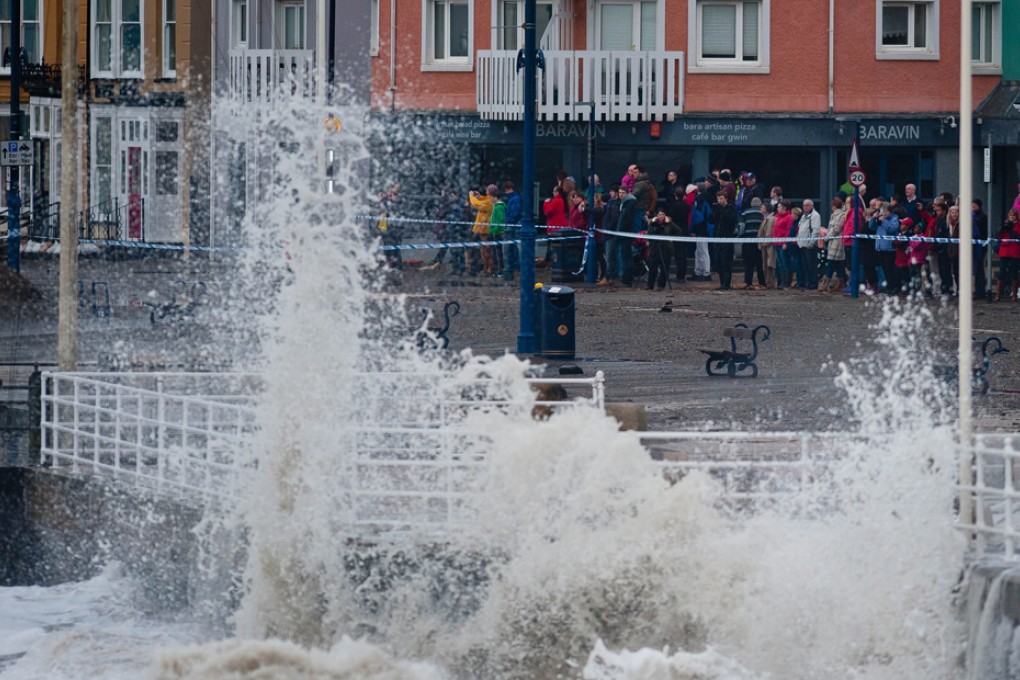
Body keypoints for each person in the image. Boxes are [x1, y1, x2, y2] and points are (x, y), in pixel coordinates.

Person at [646, 209, 680, 290]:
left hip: (665, 248)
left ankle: (661, 285)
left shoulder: (670, 224)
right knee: (652, 268)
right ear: (657, 215)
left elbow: (678, 231)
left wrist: (672, 238)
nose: (661, 216)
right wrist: (648, 241)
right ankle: (650, 285)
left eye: (663, 214)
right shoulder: (653, 223)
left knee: (664, 268)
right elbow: (648, 233)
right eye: (660, 214)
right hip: (654, 248)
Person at [468, 185, 498, 276]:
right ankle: (487, 269)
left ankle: (488, 270)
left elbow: (477, 204)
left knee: (486, 251)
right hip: (483, 229)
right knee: (485, 250)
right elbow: (484, 198)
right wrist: (479, 195)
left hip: (485, 230)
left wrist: (471, 196)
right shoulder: (490, 200)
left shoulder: (489, 203)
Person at [712, 190, 738, 290]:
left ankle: (726, 283)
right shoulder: (717, 208)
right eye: (718, 198)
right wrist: (715, 211)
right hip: (717, 238)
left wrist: (722, 211)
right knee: (718, 261)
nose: (719, 200)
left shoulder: (731, 208)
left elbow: (731, 220)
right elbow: (712, 220)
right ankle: (722, 282)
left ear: (726, 199)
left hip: (727, 238)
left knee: (725, 261)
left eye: (721, 198)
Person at [874, 202, 900, 294]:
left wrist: (884, 221)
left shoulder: (894, 218)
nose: (884, 213)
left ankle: (893, 287)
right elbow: (871, 227)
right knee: (884, 269)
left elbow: (892, 229)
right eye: (883, 211)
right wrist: (874, 219)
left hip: (889, 248)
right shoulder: (880, 219)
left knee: (890, 269)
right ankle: (888, 286)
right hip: (880, 247)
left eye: (885, 211)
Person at [822, 197, 847, 292]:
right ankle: (841, 282)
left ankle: (826, 282)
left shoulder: (841, 215)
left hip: (837, 242)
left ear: (833, 206)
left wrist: (826, 237)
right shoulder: (834, 215)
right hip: (833, 241)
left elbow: (837, 229)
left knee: (831, 262)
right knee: (839, 263)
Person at [796, 199, 822, 292]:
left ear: (812, 206)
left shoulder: (815, 216)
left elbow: (815, 231)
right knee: (805, 266)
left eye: (807, 205)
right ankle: (807, 282)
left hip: (810, 246)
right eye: (804, 205)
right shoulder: (803, 216)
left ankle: (813, 283)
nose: (805, 207)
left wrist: (811, 243)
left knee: (811, 266)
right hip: (802, 244)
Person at [689, 183, 713, 281]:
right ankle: (699, 271)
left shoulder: (699, 199)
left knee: (702, 251)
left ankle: (705, 272)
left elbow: (697, 216)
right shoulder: (708, 198)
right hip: (705, 228)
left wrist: (693, 228)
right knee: (699, 251)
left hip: (701, 228)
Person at [996, 208, 1020, 301]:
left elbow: (1017, 236)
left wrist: (1010, 230)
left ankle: (1014, 294)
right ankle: (998, 294)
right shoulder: (1006, 224)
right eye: (1010, 215)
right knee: (1001, 272)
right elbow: (998, 236)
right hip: (1005, 250)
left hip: (1015, 250)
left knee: (1014, 272)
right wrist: (1002, 229)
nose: (1012, 217)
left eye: (1013, 215)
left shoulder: (1018, 224)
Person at [740, 197, 765, 289]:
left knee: (748, 264)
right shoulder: (763, 214)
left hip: (747, 241)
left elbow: (741, 227)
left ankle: (748, 282)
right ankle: (762, 282)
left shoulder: (745, 213)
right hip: (760, 242)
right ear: (760, 205)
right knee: (760, 264)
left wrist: (741, 236)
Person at [668, 185, 690, 282]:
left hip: (677, 230)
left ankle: (679, 276)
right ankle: (682, 274)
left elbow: (671, 218)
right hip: (685, 230)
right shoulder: (686, 205)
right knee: (683, 254)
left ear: (675, 195)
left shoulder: (674, 205)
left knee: (678, 254)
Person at [502, 181, 522, 281]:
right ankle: (511, 270)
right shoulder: (514, 198)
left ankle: (510, 271)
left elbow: (514, 213)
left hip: (512, 226)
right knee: (511, 249)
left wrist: (509, 222)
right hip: (512, 225)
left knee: (509, 249)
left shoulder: (514, 199)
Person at [772, 200, 794, 289]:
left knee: (785, 263)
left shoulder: (788, 217)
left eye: (779, 207)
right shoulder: (777, 217)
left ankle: (786, 282)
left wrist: (785, 242)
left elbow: (788, 231)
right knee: (779, 264)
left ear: (784, 208)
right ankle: (780, 281)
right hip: (776, 243)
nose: (778, 208)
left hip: (782, 244)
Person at [758, 202, 777, 289]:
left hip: (769, 246)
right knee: (765, 265)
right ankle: (768, 283)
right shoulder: (765, 218)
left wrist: (764, 243)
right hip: (764, 245)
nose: (760, 209)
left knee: (770, 265)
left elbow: (769, 232)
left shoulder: (771, 219)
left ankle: (771, 283)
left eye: (762, 207)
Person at [972, 199, 988, 299]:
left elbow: (983, 232)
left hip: (980, 246)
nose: (973, 206)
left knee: (979, 269)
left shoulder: (982, 217)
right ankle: (978, 290)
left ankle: (980, 291)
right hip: (975, 245)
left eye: (975, 205)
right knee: (976, 269)